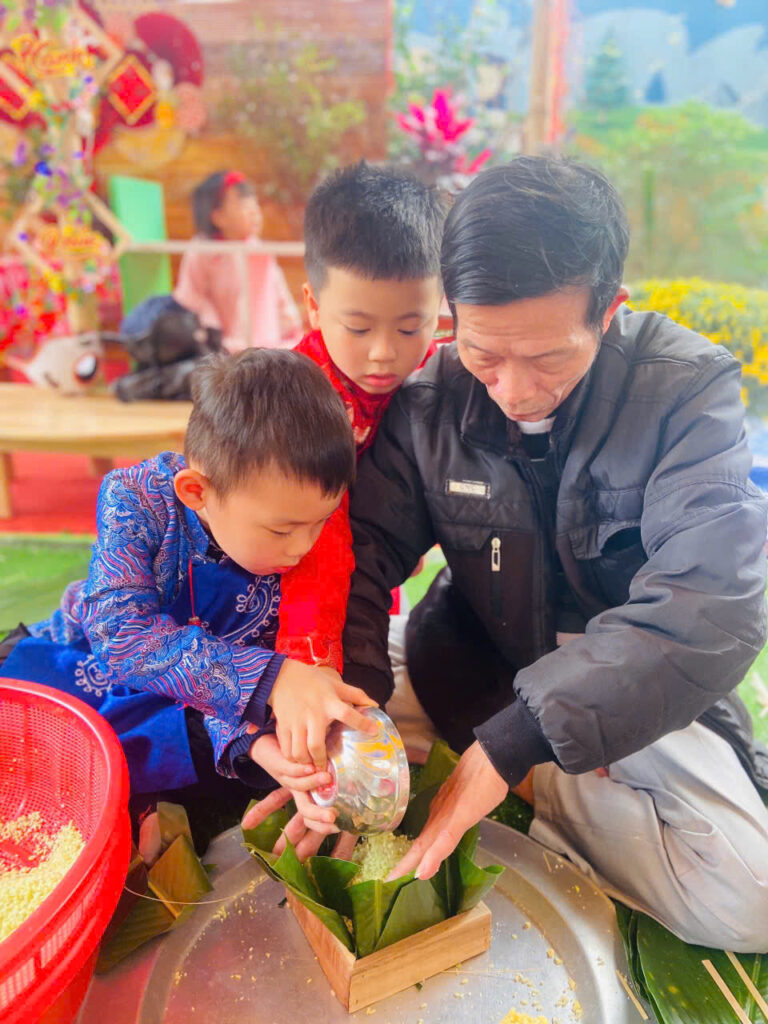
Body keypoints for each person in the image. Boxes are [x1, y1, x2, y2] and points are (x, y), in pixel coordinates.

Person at [331, 156, 768, 953]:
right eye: (484, 354)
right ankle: (526, 776)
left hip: (624, 685)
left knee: (753, 898)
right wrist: (350, 706)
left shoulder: (685, 390)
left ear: (610, 312)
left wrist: (511, 747)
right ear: (452, 317)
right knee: (323, 726)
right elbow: (361, 557)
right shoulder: (429, 399)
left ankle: (530, 781)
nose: (514, 390)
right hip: (468, 660)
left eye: (548, 359)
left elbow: (711, 606)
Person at [0, 349, 376, 849]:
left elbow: (230, 687)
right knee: (30, 742)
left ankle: (149, 798)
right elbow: (123, 638)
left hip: (197, 698)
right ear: (196, 491)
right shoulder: (134, 499)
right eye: (283, 530)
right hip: (87, 664)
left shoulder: (284, 520)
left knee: (232, 762)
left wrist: (259, 745)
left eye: (321, 523)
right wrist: (275, 678)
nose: (303, 548)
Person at [240, 163, 446, 852]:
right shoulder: (299, 408)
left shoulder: (439, 382)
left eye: (412, 327)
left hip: (369, 577)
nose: (384, 354)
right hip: (280, 588)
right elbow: (319, 556)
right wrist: (317, 673)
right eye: (357, 327)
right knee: (288, 729)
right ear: (312, 304)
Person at [121, 170, 302, 353]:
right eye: (243, 206)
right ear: (218, 217)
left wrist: (292, 326)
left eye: (255, 204)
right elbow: (193, 299)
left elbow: (278, 292)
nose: (254, 212)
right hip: (224, 348)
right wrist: (217, 339)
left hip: (266, 344)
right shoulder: (203, 251)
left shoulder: (258, 250)